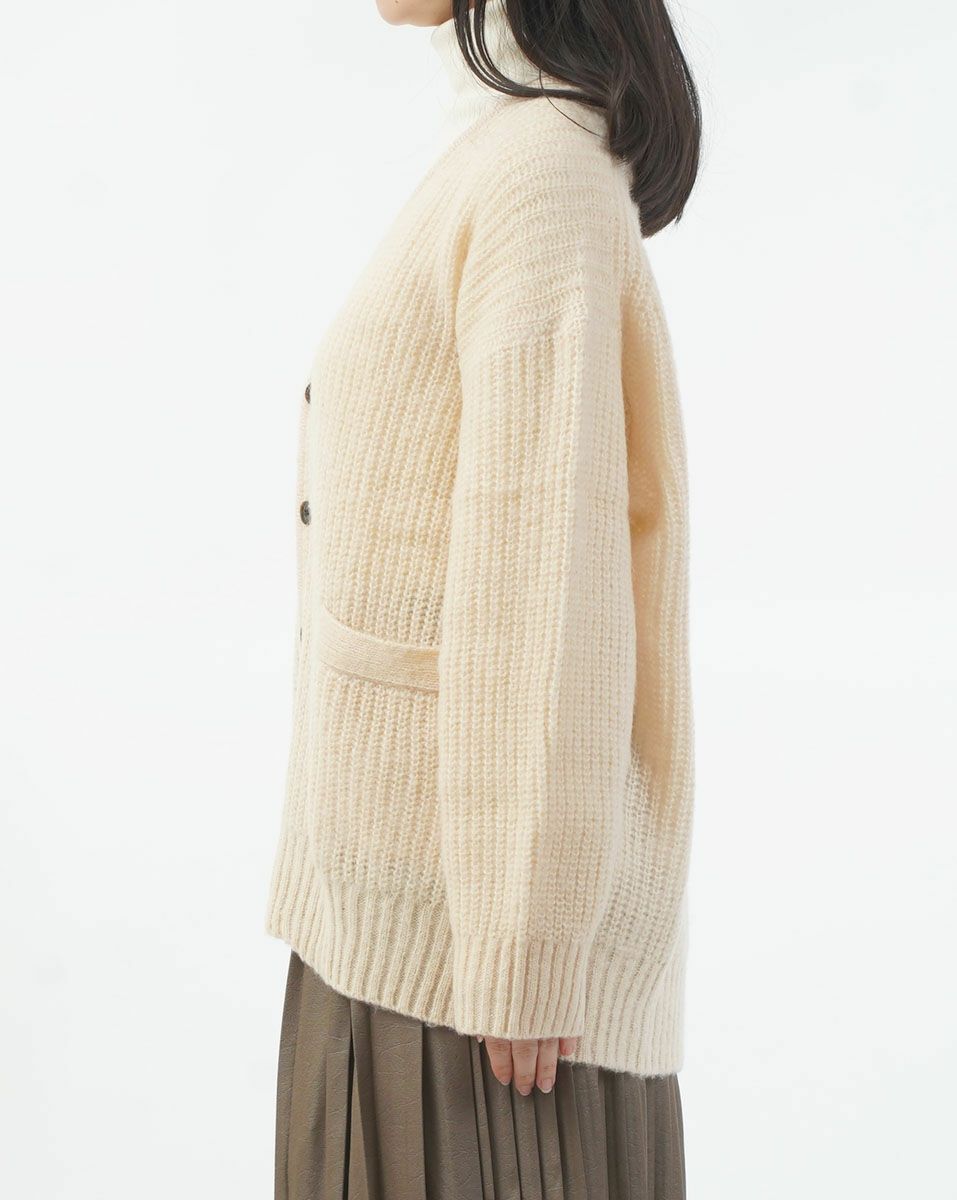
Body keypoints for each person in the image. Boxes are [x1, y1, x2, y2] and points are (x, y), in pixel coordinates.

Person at [266, 1, 700, 1196]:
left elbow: (545, 580)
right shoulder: (505, 153)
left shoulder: (538, 177)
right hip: (403, 920)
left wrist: (524, 942)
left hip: (473, 983)